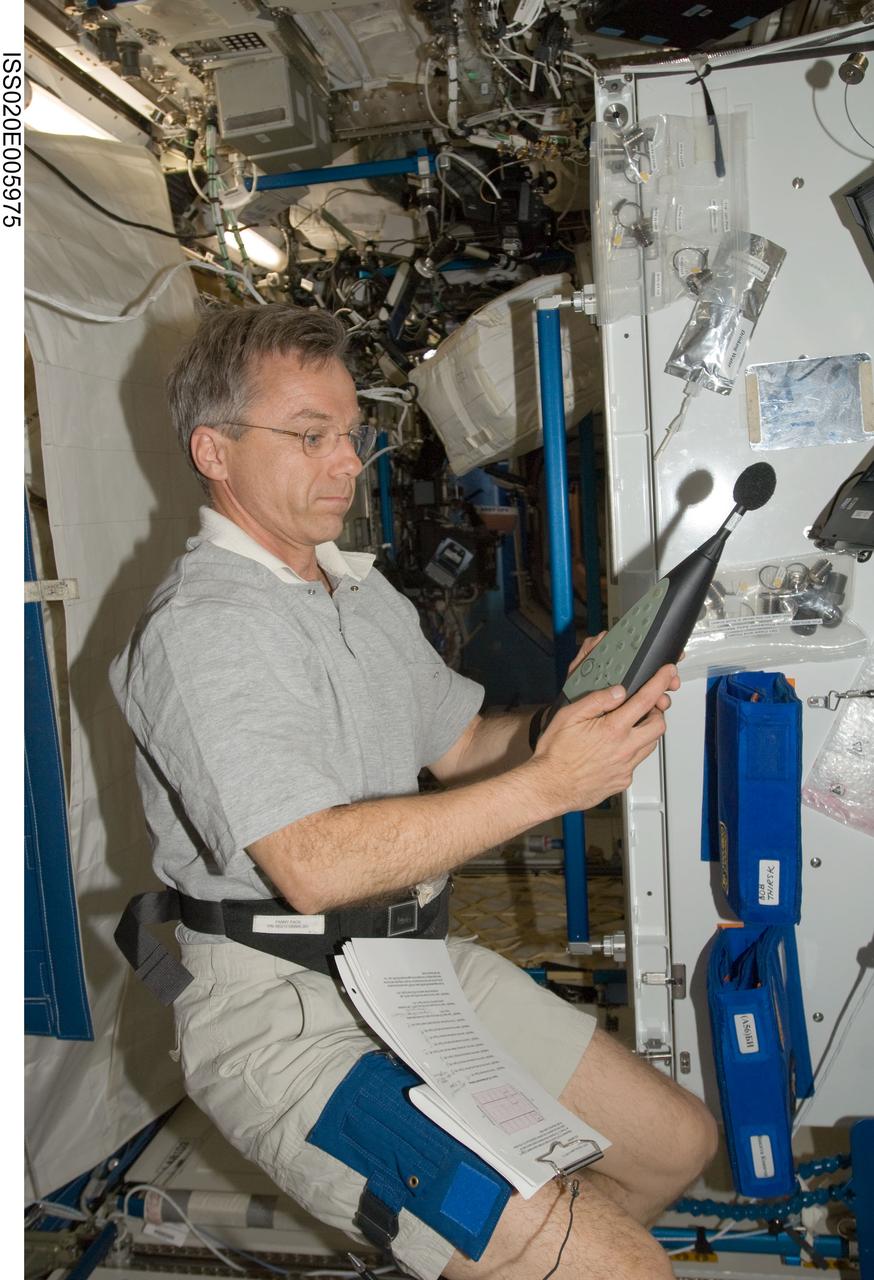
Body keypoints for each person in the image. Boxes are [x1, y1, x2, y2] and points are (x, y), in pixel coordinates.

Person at [111, 303, 717, 1280]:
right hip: (285, 1014)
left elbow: (470, 743)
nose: (349, 462)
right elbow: (313, 863)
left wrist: (566, 721)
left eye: (351, 433)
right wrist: (549, 788)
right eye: (310, 436)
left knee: (673, 1144)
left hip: (412, 972)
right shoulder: (204, 629)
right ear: (213, 450)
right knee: (625, 1265)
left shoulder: (357, 592)